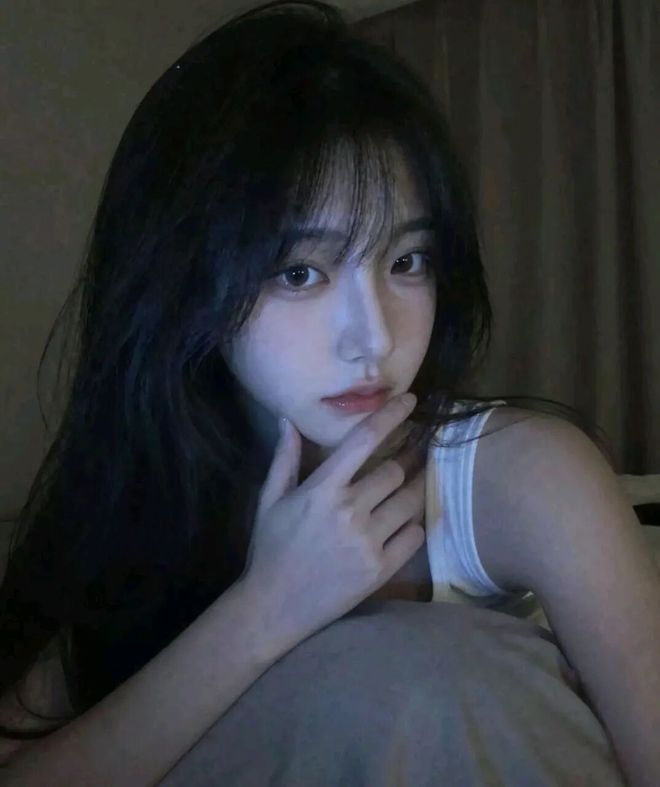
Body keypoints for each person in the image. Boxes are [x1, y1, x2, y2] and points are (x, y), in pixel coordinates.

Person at [1, 1, 658, 784]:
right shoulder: (143, 496)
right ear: (186, 281)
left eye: (407, 261)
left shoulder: (528, 476)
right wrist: (266, 607)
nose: (372, 338)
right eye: (299, 272)